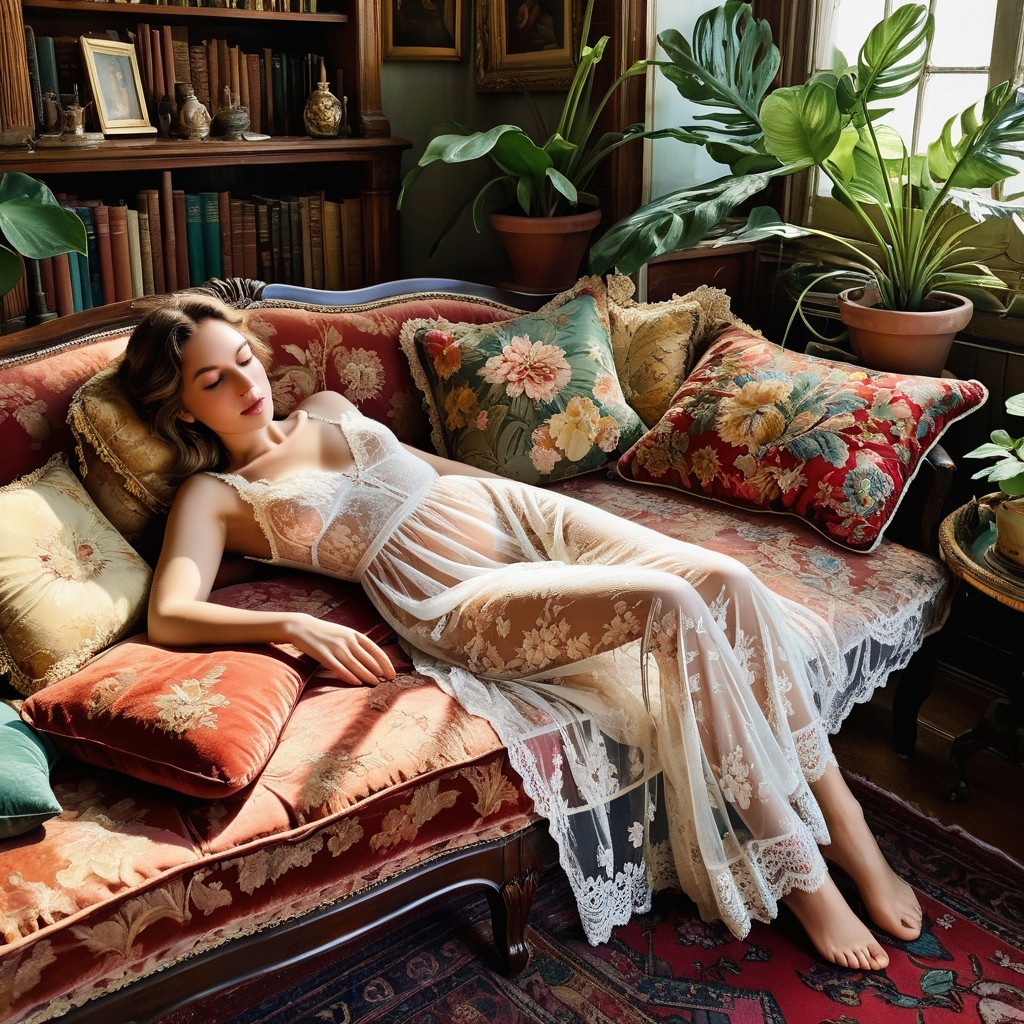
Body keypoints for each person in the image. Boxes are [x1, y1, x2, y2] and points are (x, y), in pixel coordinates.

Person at [121, 292, 924, 971]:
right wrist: (293, 622)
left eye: (244, 360)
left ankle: (851, 836)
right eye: (211, 379)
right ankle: (802, 876)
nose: (243, 384)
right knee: (671, 605)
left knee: (730, 580)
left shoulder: (326, 408)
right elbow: (170, 611)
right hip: (459, 594)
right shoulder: (216, 495)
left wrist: (551, 507)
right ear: (182, 404)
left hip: (517, 515)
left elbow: (436, 472)